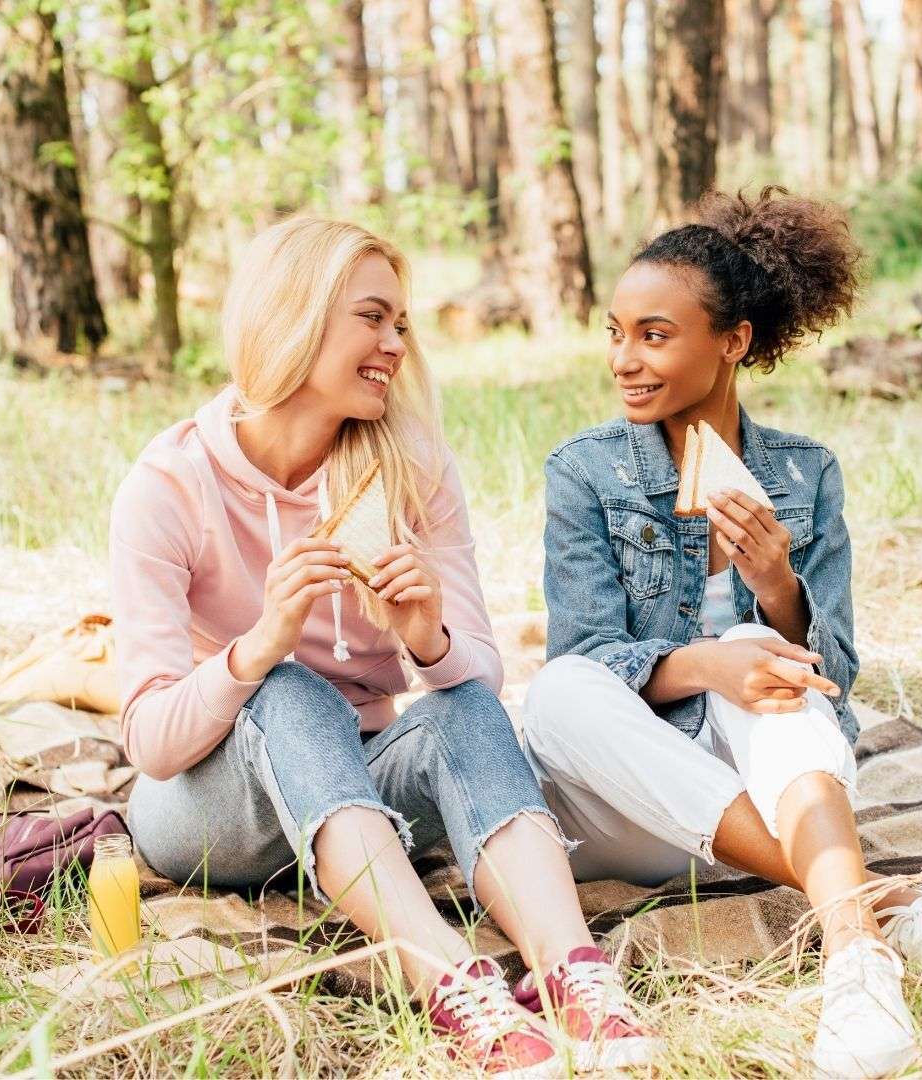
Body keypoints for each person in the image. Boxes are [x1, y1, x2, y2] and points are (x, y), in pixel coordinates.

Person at [111, 217, 659, 1076]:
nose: (396, 344)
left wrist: (426, 638)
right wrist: (256, 649)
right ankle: (448, 978)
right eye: (373, 318)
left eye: (401, 323)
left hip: (365, 789)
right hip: (206, 806)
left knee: (467, 705)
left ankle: (572, 972)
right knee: (290, 690)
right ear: (296, 317)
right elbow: (147, 740)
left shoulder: (413, 469)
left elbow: (479, 668)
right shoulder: (170, 485)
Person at [522, 187, 922, 1078]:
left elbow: (837, 673)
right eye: (616, 332)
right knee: (555, 692)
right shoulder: (585, 471)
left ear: (733, 342)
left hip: (767, 778)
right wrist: (709, 664)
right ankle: (890, 904)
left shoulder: (805, 473)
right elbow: (588, 658)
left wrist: (775, 587)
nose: (625, 359)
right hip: (625, 793)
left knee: (788, 671)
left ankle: (857, 967)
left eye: (655, 334)